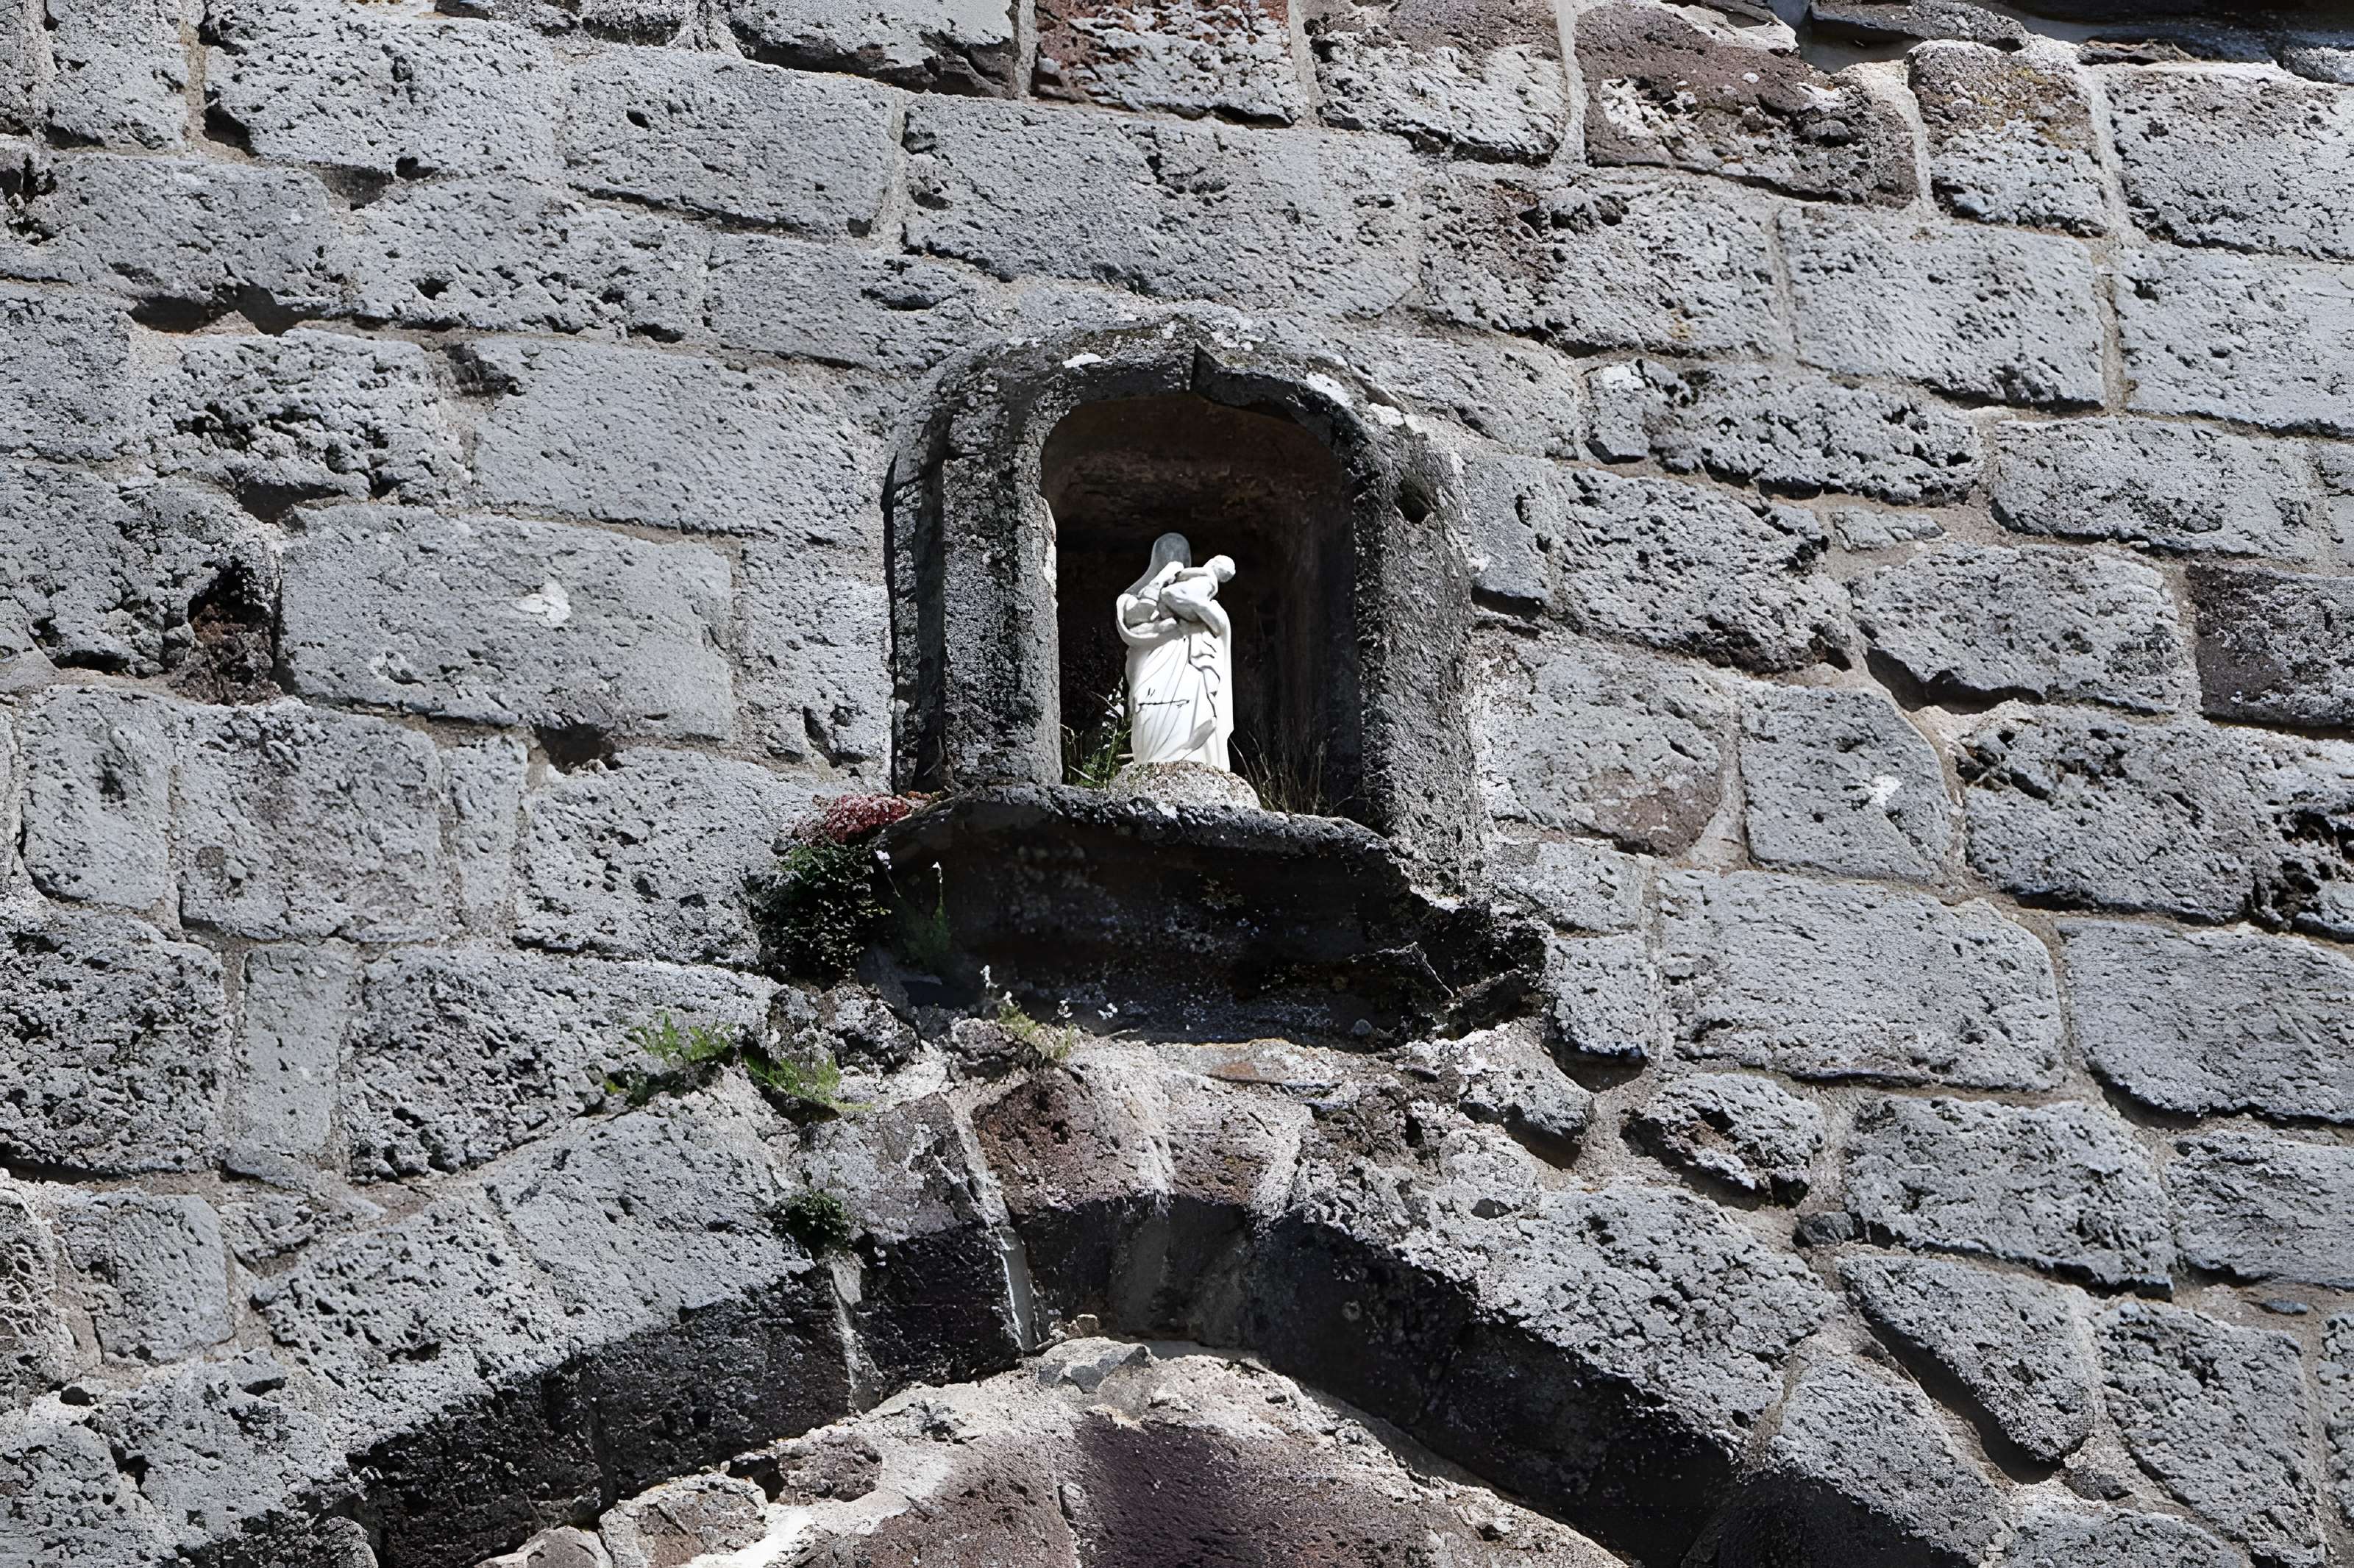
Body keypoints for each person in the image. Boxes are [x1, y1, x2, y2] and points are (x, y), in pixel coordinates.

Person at [1114, 533, 1237, 771]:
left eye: (1180, 556)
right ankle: (1150, 763)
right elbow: (1133, 619)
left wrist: (1192, 618)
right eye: (1167, 556)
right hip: (1152, 667)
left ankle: (1198, 760)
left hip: (1193, 665)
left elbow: (1220, 629)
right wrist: (1162, 580)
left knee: (1194, 706)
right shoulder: (1132, 599)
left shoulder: (1204, 597)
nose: (1174, 559)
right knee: (1147, 707)